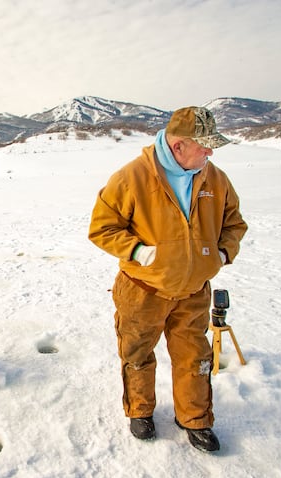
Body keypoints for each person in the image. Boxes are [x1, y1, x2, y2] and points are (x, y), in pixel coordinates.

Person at [88, 107, 247, 452]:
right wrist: (135, 250)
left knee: (195, 357)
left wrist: (222, 253)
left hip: (193, 292)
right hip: (142, 290)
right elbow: (102, 228)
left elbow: (234, 223)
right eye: (204, 147)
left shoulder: (214, 179)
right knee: (137, 353)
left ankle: (194, 419)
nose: (210, 153)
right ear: (178, 147)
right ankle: (140, 411)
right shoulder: (132, 178)